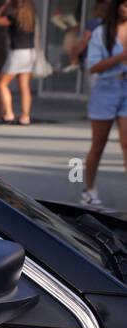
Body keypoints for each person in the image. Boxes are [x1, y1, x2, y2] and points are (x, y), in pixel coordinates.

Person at [81, 0, 127, 206]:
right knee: (98, 144)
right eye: (125, 5)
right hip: (106, 90)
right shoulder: (101, 32)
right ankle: (89, 190)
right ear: (117, 6)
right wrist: (121, 57)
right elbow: (93, 66)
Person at [0, 0, 38, 124]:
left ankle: (8, 114)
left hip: (17, 52)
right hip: (30, 52)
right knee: (24, 86)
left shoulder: (14, 15)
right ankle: (25, 117)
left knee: (2, 83)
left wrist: (4, 6)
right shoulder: (30, 15)